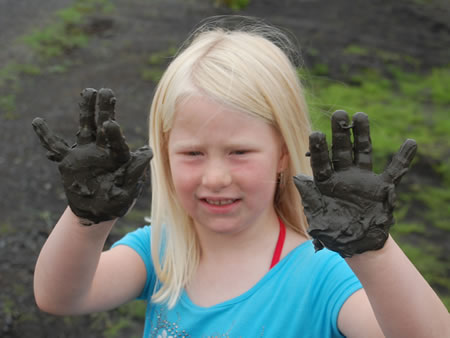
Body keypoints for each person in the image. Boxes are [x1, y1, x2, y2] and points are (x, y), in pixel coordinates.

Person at [32, 16, 449, 337]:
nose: (215, 177)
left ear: (284, 153)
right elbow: (60, 296)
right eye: (193, 153)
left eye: (239, 152)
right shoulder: (162, 250)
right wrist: (88, 218)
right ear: (163, 152)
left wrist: (372, 252)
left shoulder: (321, 273)